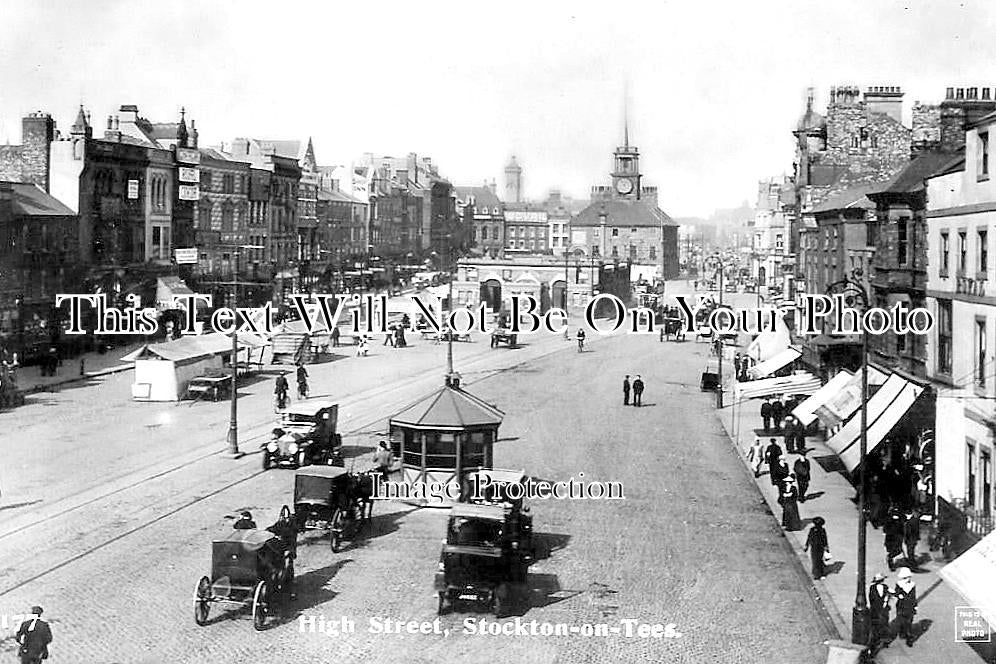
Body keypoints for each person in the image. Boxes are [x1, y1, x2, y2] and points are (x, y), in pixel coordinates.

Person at [893, 567, 918, 647]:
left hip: (910, 605)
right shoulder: (899, 584)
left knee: (909, 621)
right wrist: (899, 595)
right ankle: (902, 632)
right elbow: (896, 593)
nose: (908, 579)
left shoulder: (912, 585)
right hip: (901, 605)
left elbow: (913, 596)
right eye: (906, 578)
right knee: (901, 620)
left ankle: (909, 638)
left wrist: (915, 605)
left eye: (909, 577)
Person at [869, 572, 893, 655]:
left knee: (884, 624)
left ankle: (884, 640)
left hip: (883, 609)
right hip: (875, 609)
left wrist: (887, 599)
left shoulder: (885, 587)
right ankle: (875, 642)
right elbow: (871, 599)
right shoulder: (872, 588)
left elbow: (890, 593)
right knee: (875, 626)